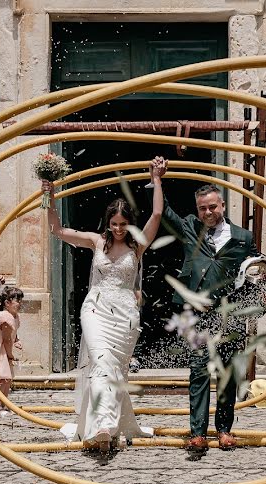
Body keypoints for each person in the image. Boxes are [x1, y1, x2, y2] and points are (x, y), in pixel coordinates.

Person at [46, 157, 166, 451]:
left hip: (125, 313)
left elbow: (158, 213)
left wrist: (157, 179)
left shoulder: (137, 244)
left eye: (123, 224)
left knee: (115, 369)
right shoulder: (96, 241)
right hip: (96, 309)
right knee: (100, 363)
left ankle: (108, 423)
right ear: (107, 222)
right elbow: (57, 231)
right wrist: (47, 195)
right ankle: (103, 425)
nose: (119, 229)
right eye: (114, 224)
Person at [159, 174, 259, 456]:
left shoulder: (242, 236)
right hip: (198, 313)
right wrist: (156, 180)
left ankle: (224, 429)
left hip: (230, 313)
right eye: (203, 208)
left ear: (222, 206)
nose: (208, 212)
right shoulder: (190, 227)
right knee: (200, 370)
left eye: (212, 207)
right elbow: (164, 213)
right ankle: (198, 433)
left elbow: (254, 266)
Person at [0, 286, 24, 417]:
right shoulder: (5, 317)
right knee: (2, 378)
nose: (20, 303)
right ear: (7, 303)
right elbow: (7, 339)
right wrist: (10, 355)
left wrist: (17, 339)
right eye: (17, 301)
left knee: (7, 378)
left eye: (20, 300)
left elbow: (13, 334)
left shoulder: (14, 316)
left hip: (4, 347)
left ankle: (4, 404)